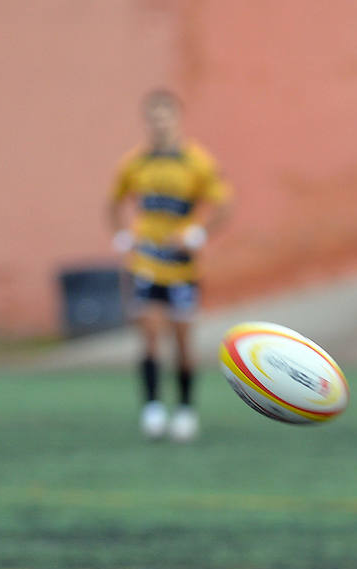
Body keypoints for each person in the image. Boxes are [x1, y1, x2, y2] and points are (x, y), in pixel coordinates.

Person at [108, 89, 232, 442]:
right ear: (146, 121)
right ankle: (152, 408)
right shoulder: (134, 163)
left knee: (182, 342)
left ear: (178, 119)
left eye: (166, 116)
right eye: (154, 117)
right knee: (148, 335)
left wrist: (197, 233)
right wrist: (122, 236)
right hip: (146, 260)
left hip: (182, 267)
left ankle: (186, 409)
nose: (160, 123)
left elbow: (223, 205)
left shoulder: (197, 162)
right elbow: (113, 202)